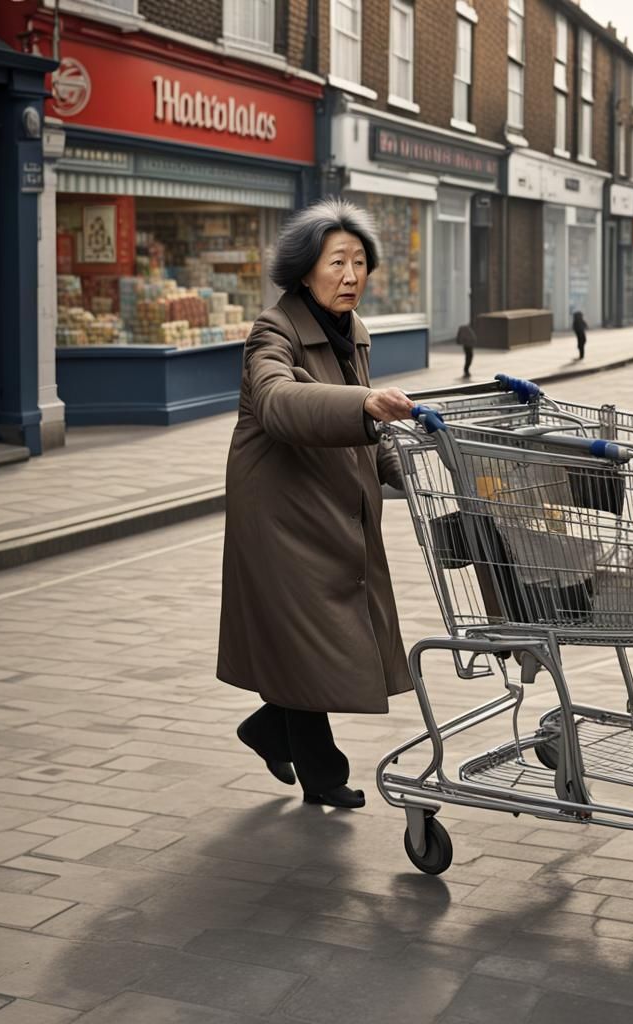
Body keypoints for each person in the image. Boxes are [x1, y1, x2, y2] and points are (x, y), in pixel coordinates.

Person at [217, 198, 415, 811]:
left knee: (313, 641)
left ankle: (270, 732)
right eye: (337, 262)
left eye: (360, 262)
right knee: (312, 641)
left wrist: (405, 469)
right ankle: (323, 773)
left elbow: (365, 421)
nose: (351, 275)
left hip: (329, 512)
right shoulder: (271, 333)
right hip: (281, 522)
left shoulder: (353, 332)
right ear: (305, 271)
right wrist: (362, 406)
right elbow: (278, 403)